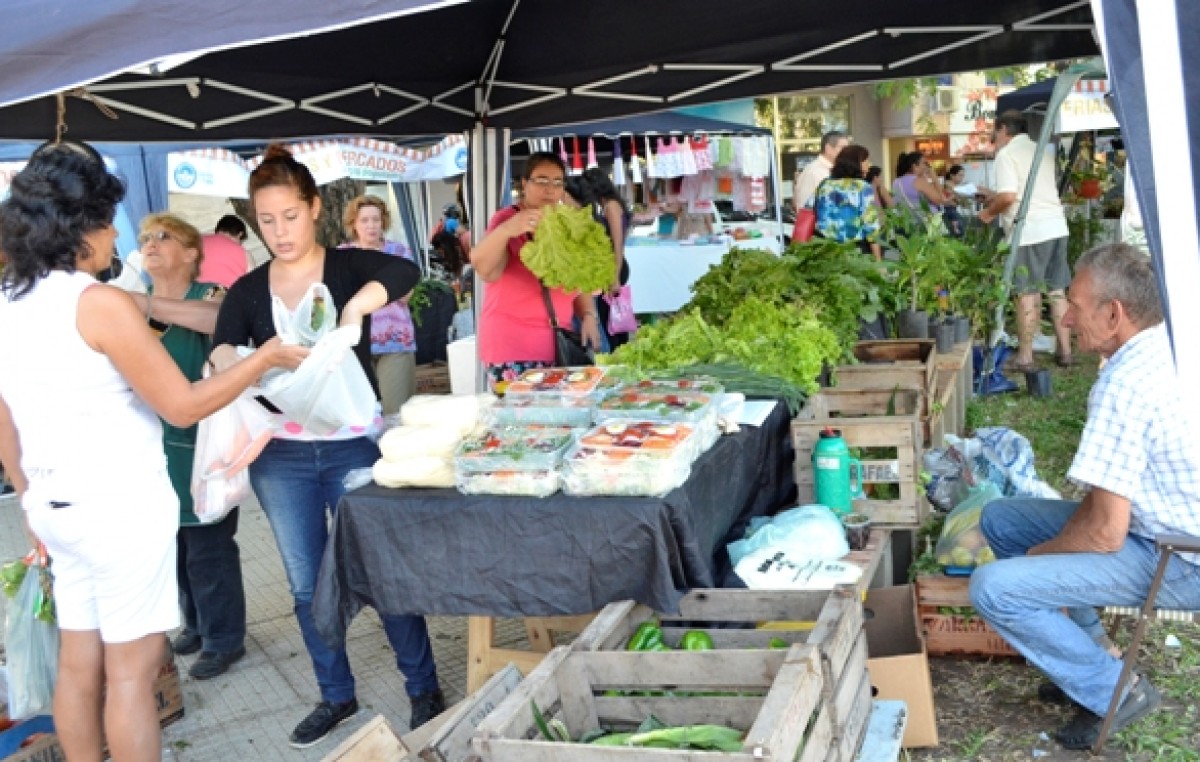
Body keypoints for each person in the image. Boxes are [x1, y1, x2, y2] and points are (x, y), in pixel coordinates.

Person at [0, 141, 304, 762]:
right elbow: (183, 404)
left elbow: (4, 417)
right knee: (133, 675)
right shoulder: (99, 304)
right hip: (118, 510)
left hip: (54, 505)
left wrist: (28, 496)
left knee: (80, 667)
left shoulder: (9, 304)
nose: (118, 236)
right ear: (78, 229)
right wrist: (265, 359)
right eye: (108, 221)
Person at [210, 144, 444, 748]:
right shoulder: (248, 288)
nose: (280, 231)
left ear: (314, 208)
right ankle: (334, 694)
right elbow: (221, 345)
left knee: (380, 569)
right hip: (282, 458)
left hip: (352, 450)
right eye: (266, 220)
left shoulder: (343, 266)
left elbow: (404, 273)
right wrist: (250, 359)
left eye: (290, 215)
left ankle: (423, 687)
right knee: (307, 584)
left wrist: (356, 309)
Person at [969, 243, 1200, 750]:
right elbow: (1104, 515)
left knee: (994, 587)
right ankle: (1090, 652)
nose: (1067, 319)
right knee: (1002, 519)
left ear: (1114, 314)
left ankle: (1115, 692)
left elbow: (1103, 532)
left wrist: (1036, 560)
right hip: (1167, 531)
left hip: (1180, 560)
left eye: (1075, 305)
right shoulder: (1170, 345)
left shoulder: (1126, 383)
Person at [134, 213, 248, 681]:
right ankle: (196, 623)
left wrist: (148, 306)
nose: (151, 244)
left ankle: (225, 639)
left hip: (204, 447)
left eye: (164, 237)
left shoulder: (209, 295)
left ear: (190, 253)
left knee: (208, 547)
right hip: (154, 445)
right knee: (174, 544)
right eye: (145, 239)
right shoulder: (130, 302)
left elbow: (218, 320)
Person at [473, 152, 602, 390]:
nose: (549, 190)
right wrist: (507, 230)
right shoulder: (506, 219)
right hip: (513, 349)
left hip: (559, 346)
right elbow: (485, 271)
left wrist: (588, 315)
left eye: (557, 182)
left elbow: (579, 277)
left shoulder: (567, 223)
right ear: (525, 183)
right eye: (541, 181)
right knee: (522, 423)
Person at [978, 110, 1074, 370]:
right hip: (1055, 225)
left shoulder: (1006, 154)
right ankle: (1065, 351)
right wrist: (993, 197)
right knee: (1056, 290)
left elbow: (1009, 197)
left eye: (994, 131)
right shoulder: (1043, 150)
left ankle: (1025, 356)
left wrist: (988, 212)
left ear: (1003, 130)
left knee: (1026, 293)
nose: (994, 137)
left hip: (1030, 230)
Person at [339, 195, 418, 415]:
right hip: (354, 344)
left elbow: (405, 295)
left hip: (395, 341)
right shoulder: (341, 256)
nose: (371, 225)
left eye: (376, 219)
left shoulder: (399, 253)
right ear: (353, 224)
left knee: (397, 411)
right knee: (360, 414)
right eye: (364, 220)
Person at [582, 167, 634, 349]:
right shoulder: (609, 204)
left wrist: (614, 277)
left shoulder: (610, 206)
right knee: (614, 316)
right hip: (613, 265)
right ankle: (619, 352)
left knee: (611, 318)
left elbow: (618, 244)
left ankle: (617, 353)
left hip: (614, 266)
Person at [812, 145, 882, 261]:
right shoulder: (863, 187)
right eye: (866, 161)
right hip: (854, 252)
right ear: (856, 163)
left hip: (825, 250)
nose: (868, 166)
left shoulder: (824, 184)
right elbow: (871, 227)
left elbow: (809, 210)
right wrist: (878, 260)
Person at [794, 130, 849, 210]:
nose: (847, 152)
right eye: (843, 148)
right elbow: (804, 208)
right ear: (828, 148)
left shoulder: (837, 170)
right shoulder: (814, 172)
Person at [199, 214, 251, 289]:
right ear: (240, 234)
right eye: (241, 241)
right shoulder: (243, 252)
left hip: (192, 296)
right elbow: (253, 284)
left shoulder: (197, 241)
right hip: (228, 296)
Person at [941, 164, 967, 237]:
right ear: (952, 176)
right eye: (960, 175)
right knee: (959, 231)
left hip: (952, 210)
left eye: (963, 176)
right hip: (948, 210)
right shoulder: (949, 184)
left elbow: (960, 200)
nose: (962, 178)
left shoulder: (953, 185)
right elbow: (958, 198)